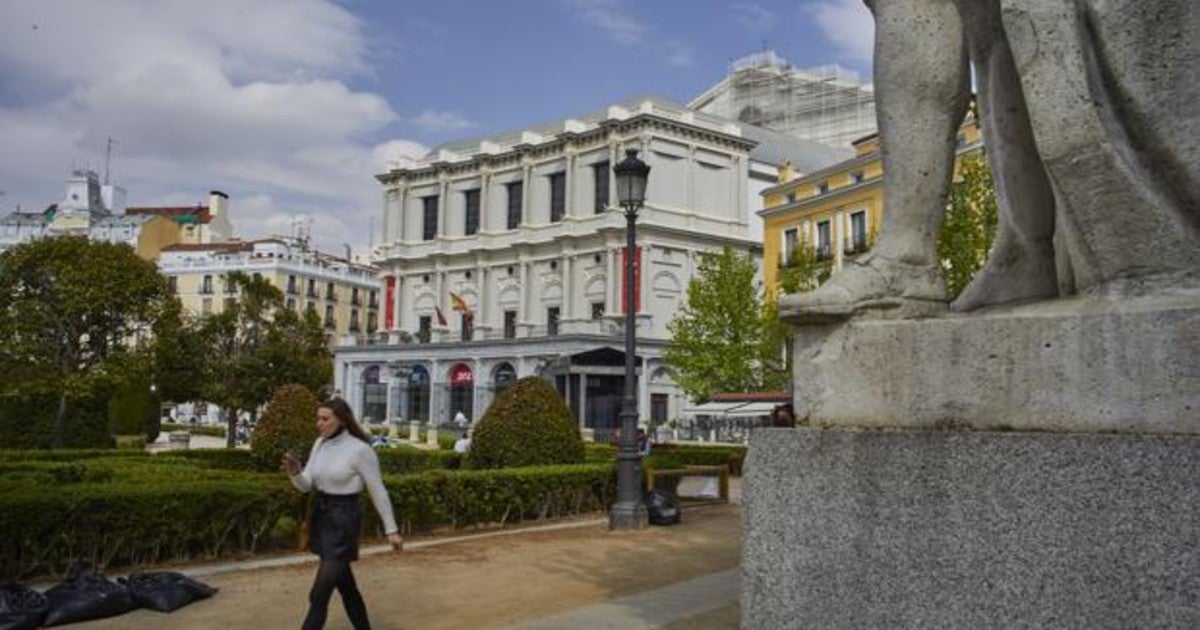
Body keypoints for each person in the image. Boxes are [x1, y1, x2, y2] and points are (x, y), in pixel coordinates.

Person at [283, 398, 403, 630]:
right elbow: (306, 485)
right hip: (322, 515)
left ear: (342, 419)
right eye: (318, 418)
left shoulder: (360, 450)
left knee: (319, 594)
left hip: (344, 520)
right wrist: (295, 472)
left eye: (325, 419)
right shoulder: (320, 443)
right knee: (346, 587)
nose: (319, 423)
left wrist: (392, 530)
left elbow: (378, 490)